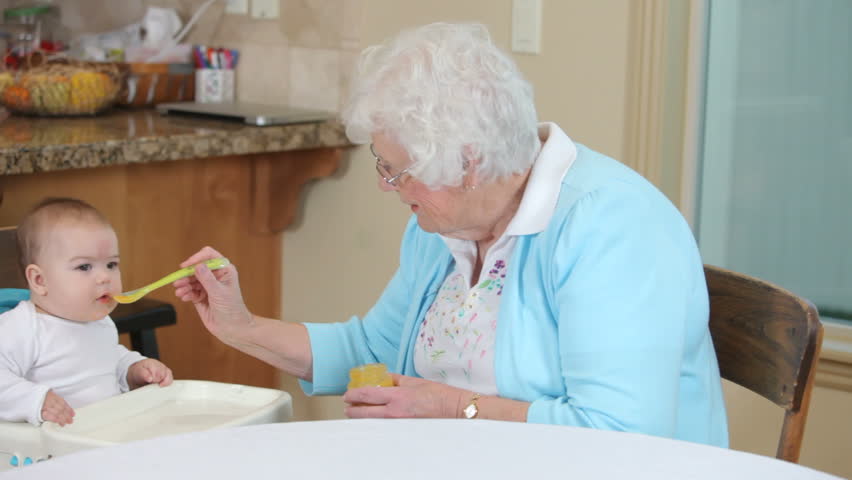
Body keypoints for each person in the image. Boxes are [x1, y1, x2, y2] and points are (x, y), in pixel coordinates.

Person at [173, 22, 728, 446]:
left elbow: (618, 434)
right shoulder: (446, 227)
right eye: (382, 164)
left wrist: (450, 407)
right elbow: (370, 350)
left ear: (470, 163)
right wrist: (240, 326)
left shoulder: (611, 228)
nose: (388, 186)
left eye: (399, 170)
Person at [0, 197, 173, 427]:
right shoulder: (23, 327)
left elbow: (107, 359)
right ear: (39, 280)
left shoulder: (99, 321)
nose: (105, 277)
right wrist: (35, 400)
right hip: (47, 452)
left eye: (111, 264)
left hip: (102, 435)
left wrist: (132, 369)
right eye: (84, 267)